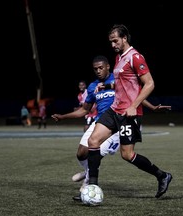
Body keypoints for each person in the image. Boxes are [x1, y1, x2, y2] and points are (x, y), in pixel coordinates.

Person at [51, 56, 172, 197]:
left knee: (122, 154)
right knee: (82, 153)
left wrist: (152, 107)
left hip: (121, 120)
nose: (98, 71)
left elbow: (136, 94)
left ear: (108, 66)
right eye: (95, 69)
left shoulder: (118, 79)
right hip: (102, 121)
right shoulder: (92, 87)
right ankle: (90, 175)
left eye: (101, 68)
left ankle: (90, 185)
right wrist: (63, 116)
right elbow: (85, 110)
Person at [86, 24, 172, 199]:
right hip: (114, 109)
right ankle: (92, 189)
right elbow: (122, 83)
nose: (113, 45)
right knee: (93, 141)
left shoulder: (136, 57)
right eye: (111, 42)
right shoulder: (118, 58)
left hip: (129, 113)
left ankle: (162, 175)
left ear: (125, 38)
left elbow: (149, 84)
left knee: (127, 155)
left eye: (115, 41)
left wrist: (134, 105)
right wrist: (107, 85)